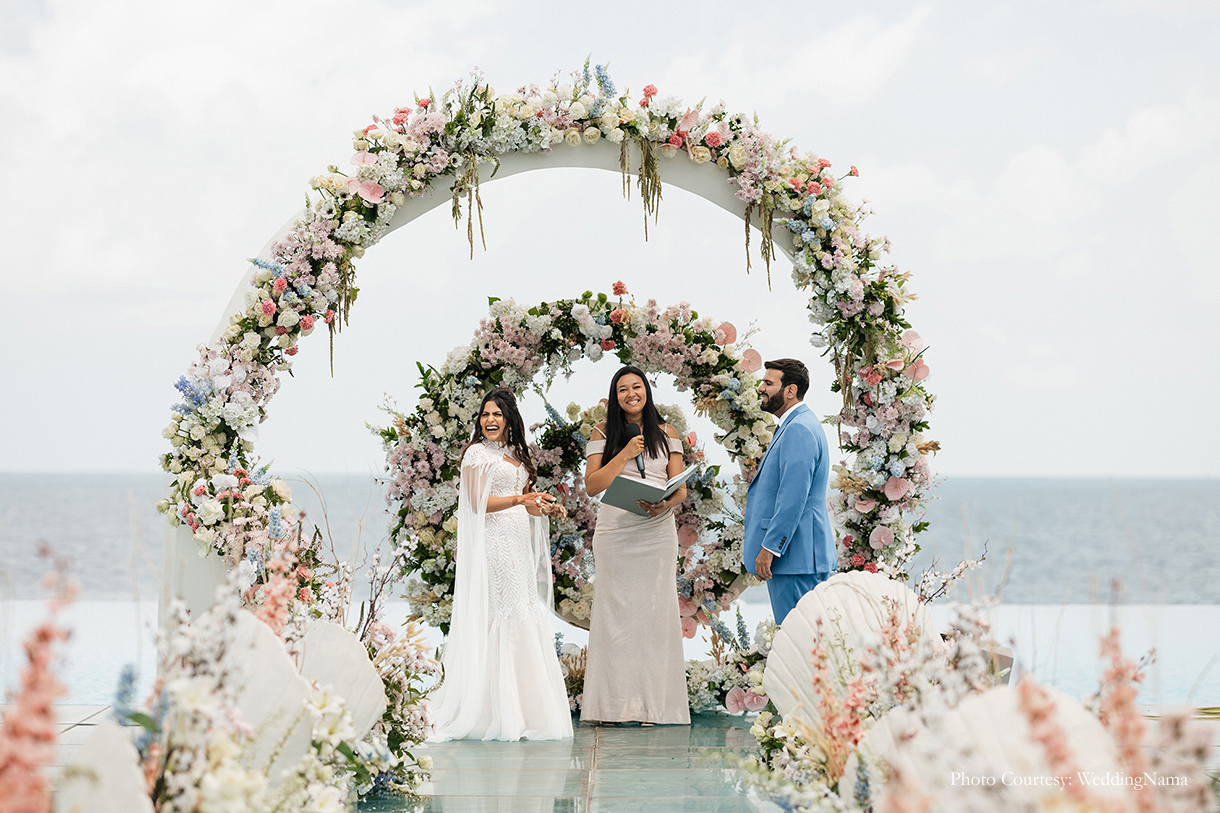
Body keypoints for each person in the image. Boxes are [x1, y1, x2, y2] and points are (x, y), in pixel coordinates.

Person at [427, 389, 573, 742]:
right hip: (493, 545)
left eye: (497, 414)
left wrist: (544, 506)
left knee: (523, 610)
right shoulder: (476, 455)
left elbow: (527, 505)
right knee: (505, 613)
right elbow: (477, 503)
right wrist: (522, 497)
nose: (490, 420)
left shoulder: (516, 455)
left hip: (518, 541)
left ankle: (526, 710)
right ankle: (494, 710)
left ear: (510, 419)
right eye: (485, 414)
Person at [580, 366, 691, 725]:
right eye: (623, 389)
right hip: (616, 532)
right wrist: (625, 452)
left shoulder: (667, 432)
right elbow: (593, 485)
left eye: (637, 386)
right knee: (616, 618)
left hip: (656, 530)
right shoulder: (602, 432)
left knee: (655, 616)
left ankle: (654, 707)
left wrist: (665, 502)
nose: (631, 394)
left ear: (646, 390)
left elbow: (681, 488)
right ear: (615, 397)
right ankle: (610, 708)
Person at [743, 358, 836, 625]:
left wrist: (769, 548)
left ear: (790, 390)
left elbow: (793, 498)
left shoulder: (798, 429)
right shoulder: (795, 424)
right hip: (799, 560)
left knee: (803, 644)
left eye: (768, 383)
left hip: (797, 560)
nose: (761, 387)